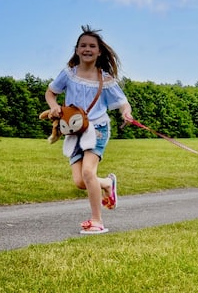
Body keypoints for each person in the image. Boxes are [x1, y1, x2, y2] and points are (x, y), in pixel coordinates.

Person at [45, 25, 134, 235]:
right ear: (76, 50)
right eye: (83, 45)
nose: (87, 49)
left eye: (92, 46)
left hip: (98, 129)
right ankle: (107, 183)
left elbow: (123, 102)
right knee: (80, 181)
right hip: (73, 131)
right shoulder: (68, 74)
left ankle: (97, 220)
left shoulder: (106, 79)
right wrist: (54, 107)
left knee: (87, 172)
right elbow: (51, 93)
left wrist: (126, 113)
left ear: (99, 51)